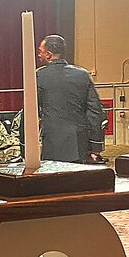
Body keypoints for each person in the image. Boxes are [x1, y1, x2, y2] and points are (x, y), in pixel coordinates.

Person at [36, 34, 106, 163]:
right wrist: (96, 146)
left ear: (49, 54)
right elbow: (95, 111)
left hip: (52, 141)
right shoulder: (82, 75)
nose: (39, 55)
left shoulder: (39, 76)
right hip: (79, 142)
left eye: (40, 52)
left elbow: (30, 112)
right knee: (77, 180)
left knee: (52, 180)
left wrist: (25, 146)